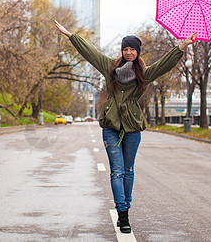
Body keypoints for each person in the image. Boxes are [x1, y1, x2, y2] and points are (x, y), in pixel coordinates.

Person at [54, 20, 197, 234]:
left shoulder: (144, 73)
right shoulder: (109, 66)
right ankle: (122, 213)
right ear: (122, 50)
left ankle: (126, 207)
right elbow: (90, 52)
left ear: (138, 52)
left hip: (131, 127)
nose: (129, 52)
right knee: (117, 170)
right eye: (126, 49)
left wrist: (183, 45)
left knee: (128, 170)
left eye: (132, 49)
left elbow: (165, 64)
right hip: (111, 125)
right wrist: (69, 35)